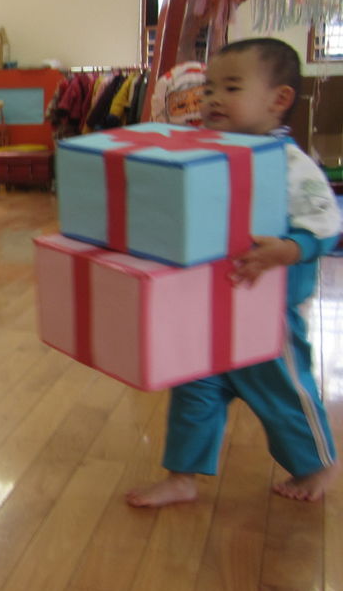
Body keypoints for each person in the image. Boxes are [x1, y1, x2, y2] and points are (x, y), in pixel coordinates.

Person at [127, 38, 341, 508]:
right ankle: (182, 475)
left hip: (268, 312)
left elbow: (326, 223)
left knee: (285, 391)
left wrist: (290, 248)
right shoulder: (206, 151)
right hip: (209, 302)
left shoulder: (289, 163)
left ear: (278, 99)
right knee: (193, 388)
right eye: (208, 89)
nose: (212, 99)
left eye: (231, 87)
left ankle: (317, 463)